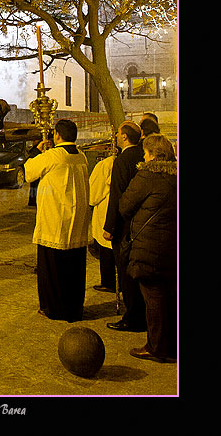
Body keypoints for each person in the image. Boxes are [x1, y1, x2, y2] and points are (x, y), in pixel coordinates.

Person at [24, 119, 91, 323]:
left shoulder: (53, 156)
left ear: (57, 136)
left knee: (52, 271)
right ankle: (73, 308)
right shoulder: (82, 157)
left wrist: (36, 151)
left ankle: (52, 308)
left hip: (54, 222)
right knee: (74, 271)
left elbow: (29, 173)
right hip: (76, 222)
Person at [119, 134, 177, 363]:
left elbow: (125, 206)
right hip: (172, 244)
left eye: (146, 152)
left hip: (149, 245)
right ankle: (170, 343)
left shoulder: (147, 175)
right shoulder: (175, 176)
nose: (144, 156)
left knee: (153, 298)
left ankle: (157, 348)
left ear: (152, 154)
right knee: (168, 295)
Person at [103, 121, 146, 332]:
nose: (117, 137)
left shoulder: (122, 160)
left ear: (125, 137)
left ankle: (133, 317)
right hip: (142, 223)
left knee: (126, 273)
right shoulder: (142, 155)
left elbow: (117, 196)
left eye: (119, 134)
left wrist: (110, 226)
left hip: (124, 226)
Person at [89, 153, 116, 292]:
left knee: (106, 247)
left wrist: (91, 201)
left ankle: (108, 281)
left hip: (105, 207)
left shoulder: (106, 164)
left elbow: (95, 192)